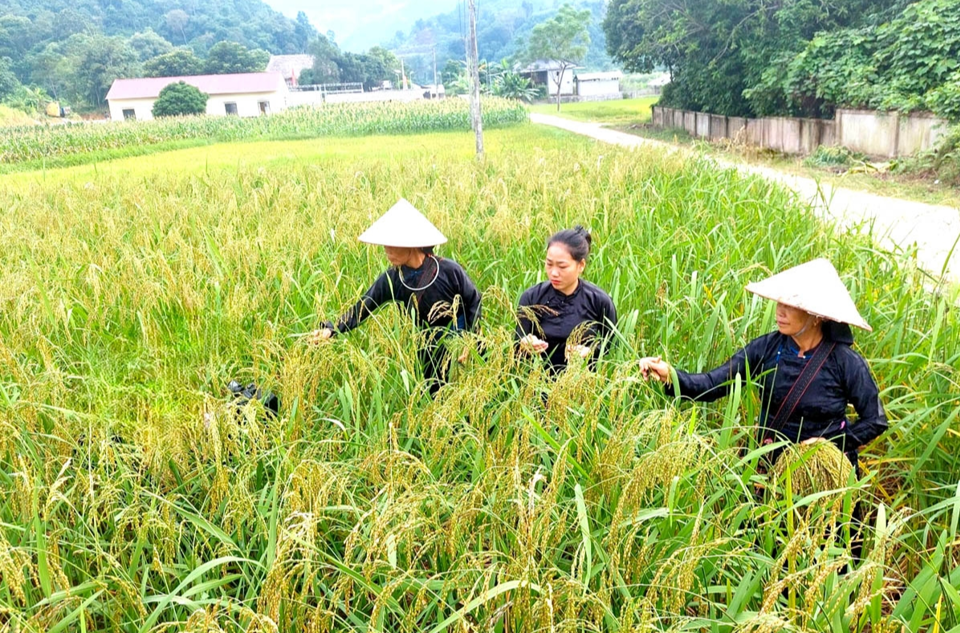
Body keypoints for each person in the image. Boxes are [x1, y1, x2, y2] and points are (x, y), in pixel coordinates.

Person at [638, 259, 887, 468]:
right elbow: (715, 383)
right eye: (780, 302)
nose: (780, 311)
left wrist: (831, 444)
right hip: (771, 464)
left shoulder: (845, 362)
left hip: (823, 471)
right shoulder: (768, 348)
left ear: (816, 316)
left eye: (791, 306)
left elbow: (874, 420)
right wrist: (671, 375)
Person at [310, 199, 481, 395]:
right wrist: (332, 329)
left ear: (412, 243)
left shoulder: (449, 271)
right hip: (428, 351)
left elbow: (474, 302)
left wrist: (469, 340)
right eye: (385, 244)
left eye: (393, 244)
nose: (387, 250)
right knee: (437, 400)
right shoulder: (393, 279)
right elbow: (364, 306)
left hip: (461, 345)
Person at [516, 226, 617, 373]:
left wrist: (590, 351)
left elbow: (613, 347)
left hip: (583, 383)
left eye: (562, 266)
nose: (554, 273)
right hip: (538, 384)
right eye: (549, 264)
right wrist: (525, 344)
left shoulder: (599, 300)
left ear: (581, 265)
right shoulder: (532, 297)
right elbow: (517, 343)